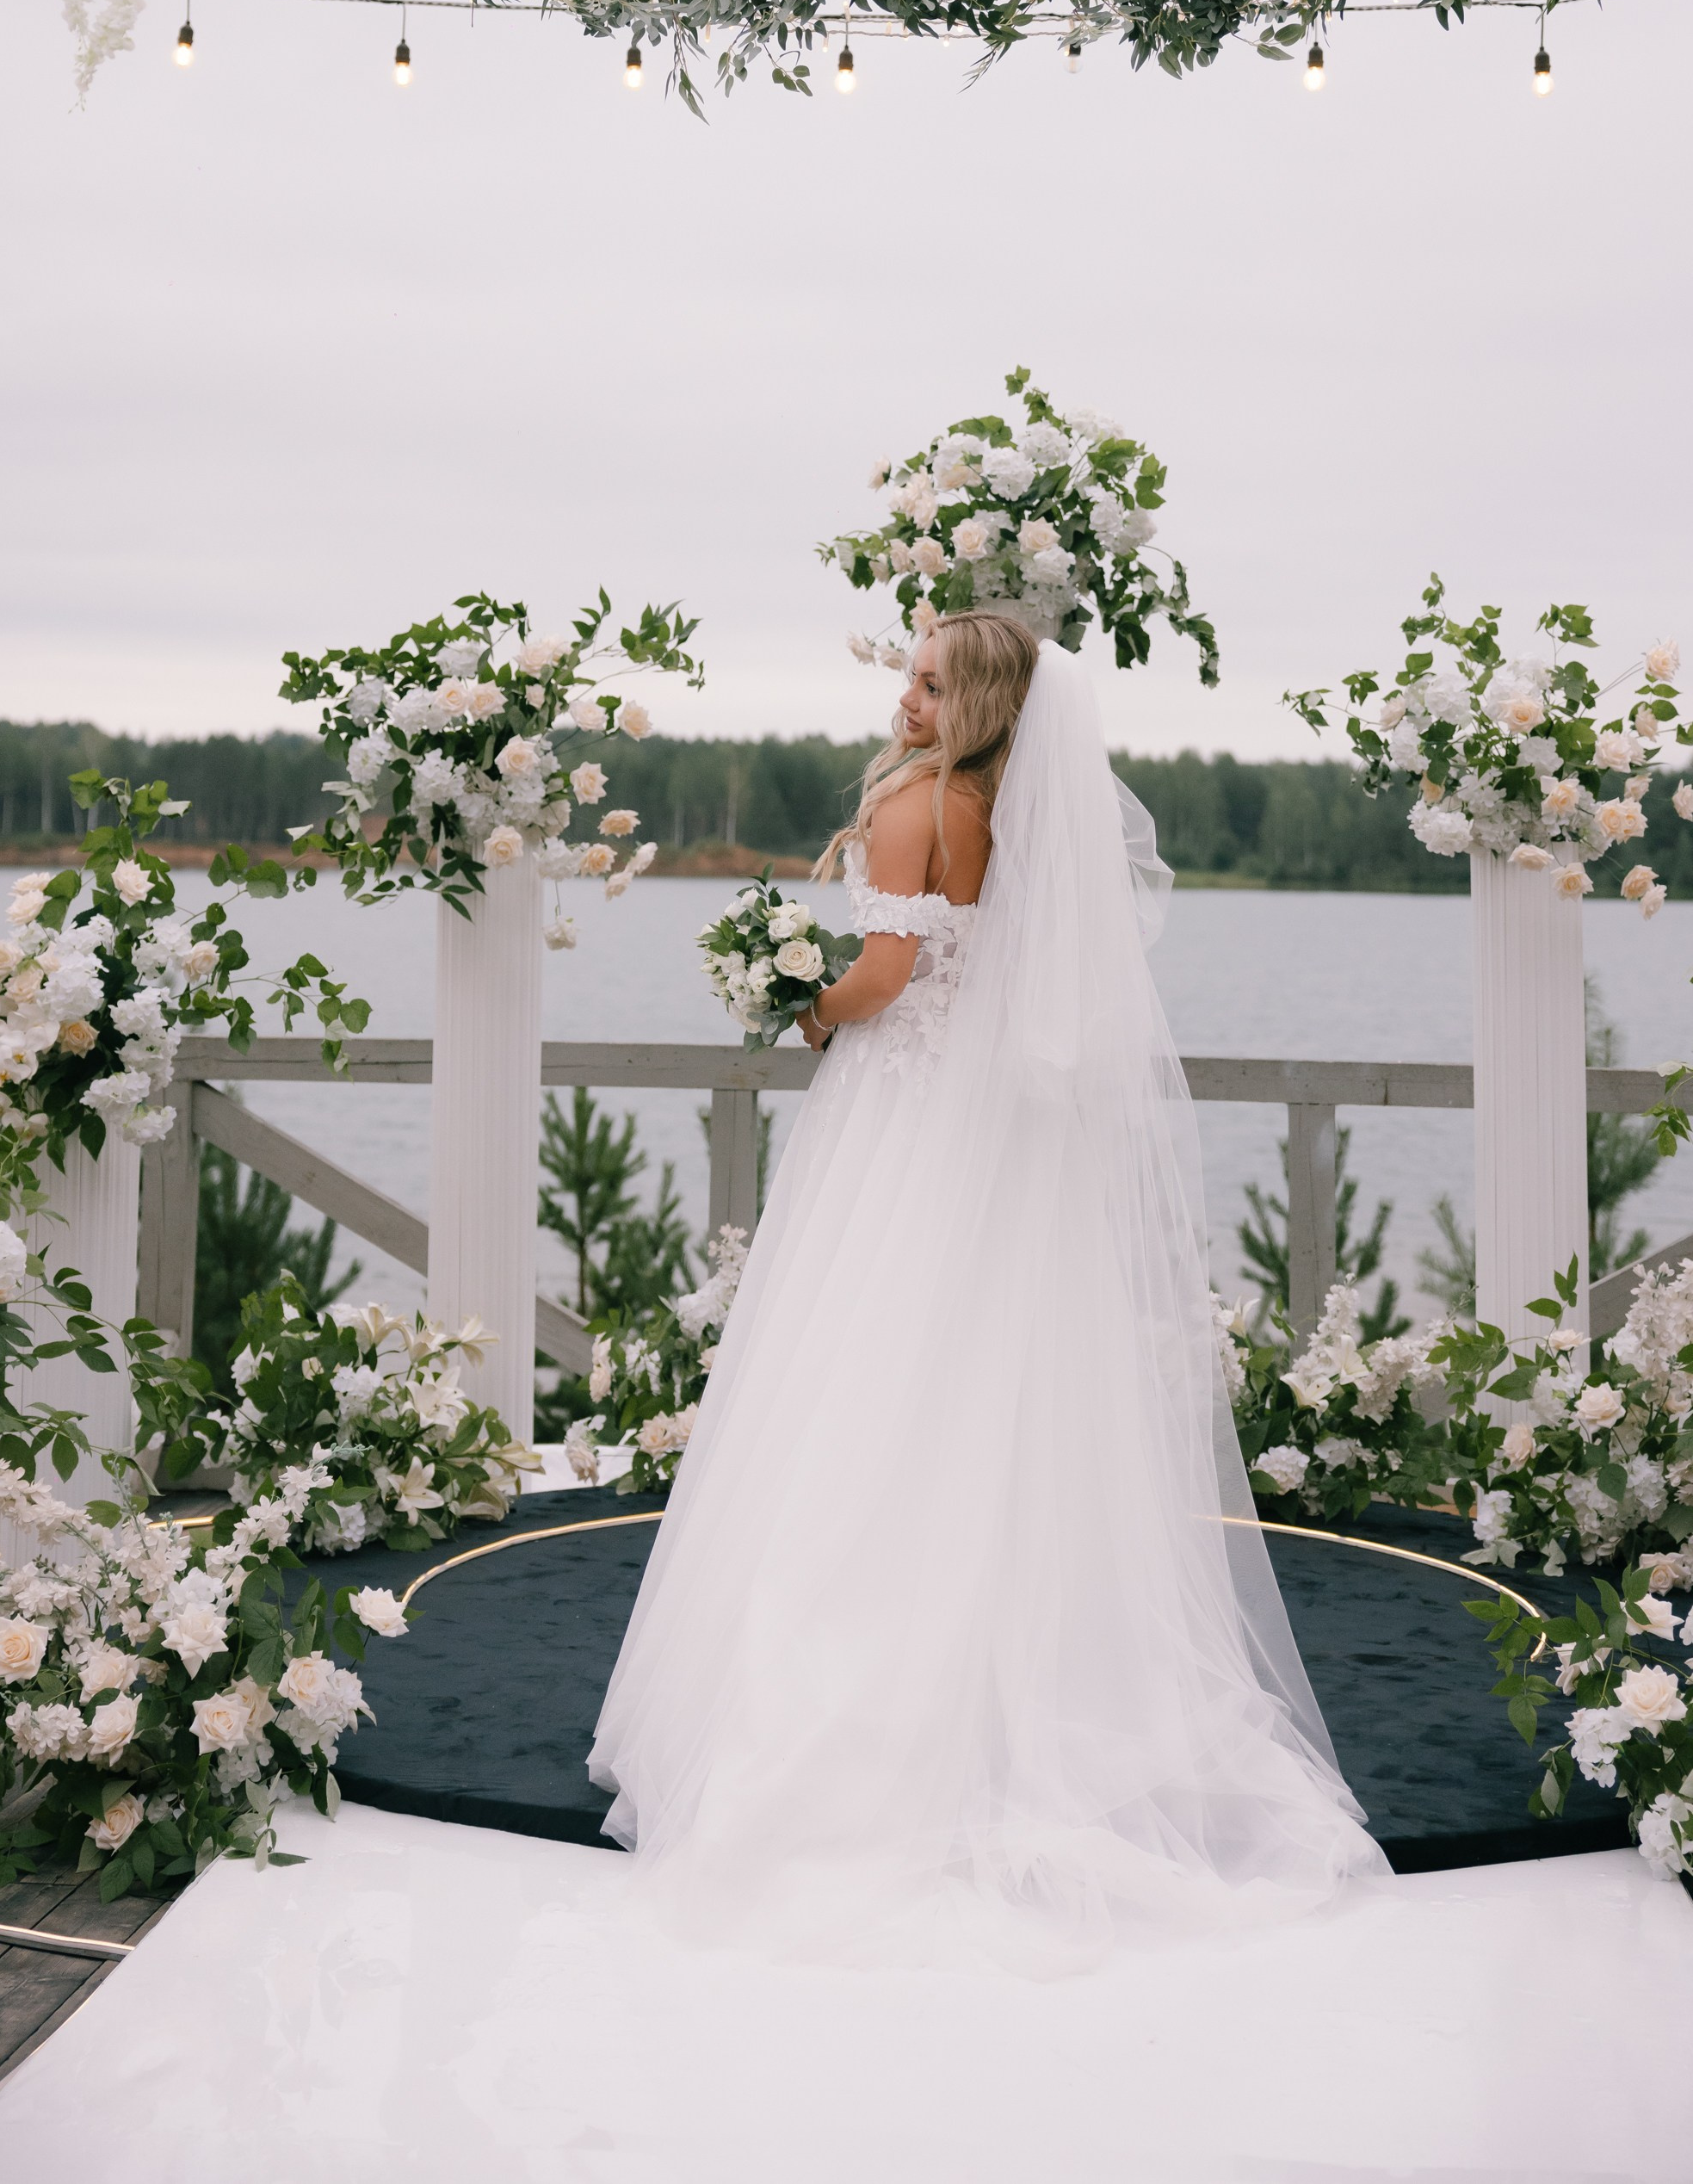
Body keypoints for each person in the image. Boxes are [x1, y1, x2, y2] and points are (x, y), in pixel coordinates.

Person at [588, 610, 1386, 1970]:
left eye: (932, 683)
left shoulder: (912, 810)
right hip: (995, 1136)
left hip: (901, 1123)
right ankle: (1026, 1671)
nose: (907, 700)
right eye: (907, 676)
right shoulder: (1008, 809)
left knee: (868, 1371)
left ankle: (861, 1703)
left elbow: (889, 980)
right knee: (986, 1377)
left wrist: (796, 995)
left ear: (984, 699)